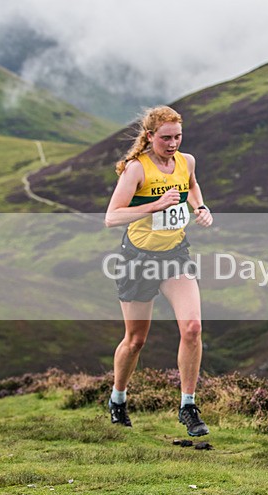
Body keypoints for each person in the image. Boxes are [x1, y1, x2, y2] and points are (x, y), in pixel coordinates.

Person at [104, 105, 213, 436]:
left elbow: (192, 185)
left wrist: (200, 207)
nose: (173, 143)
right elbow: (112, 217)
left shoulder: (186, 161)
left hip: (175, 256)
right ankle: (118, 399)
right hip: (137, 258)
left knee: (192, 328)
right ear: (150, 137)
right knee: (136, 340)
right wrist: (154, 205)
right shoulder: (136, 169)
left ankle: (188, 406)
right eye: (166, 137)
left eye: (178, 136)